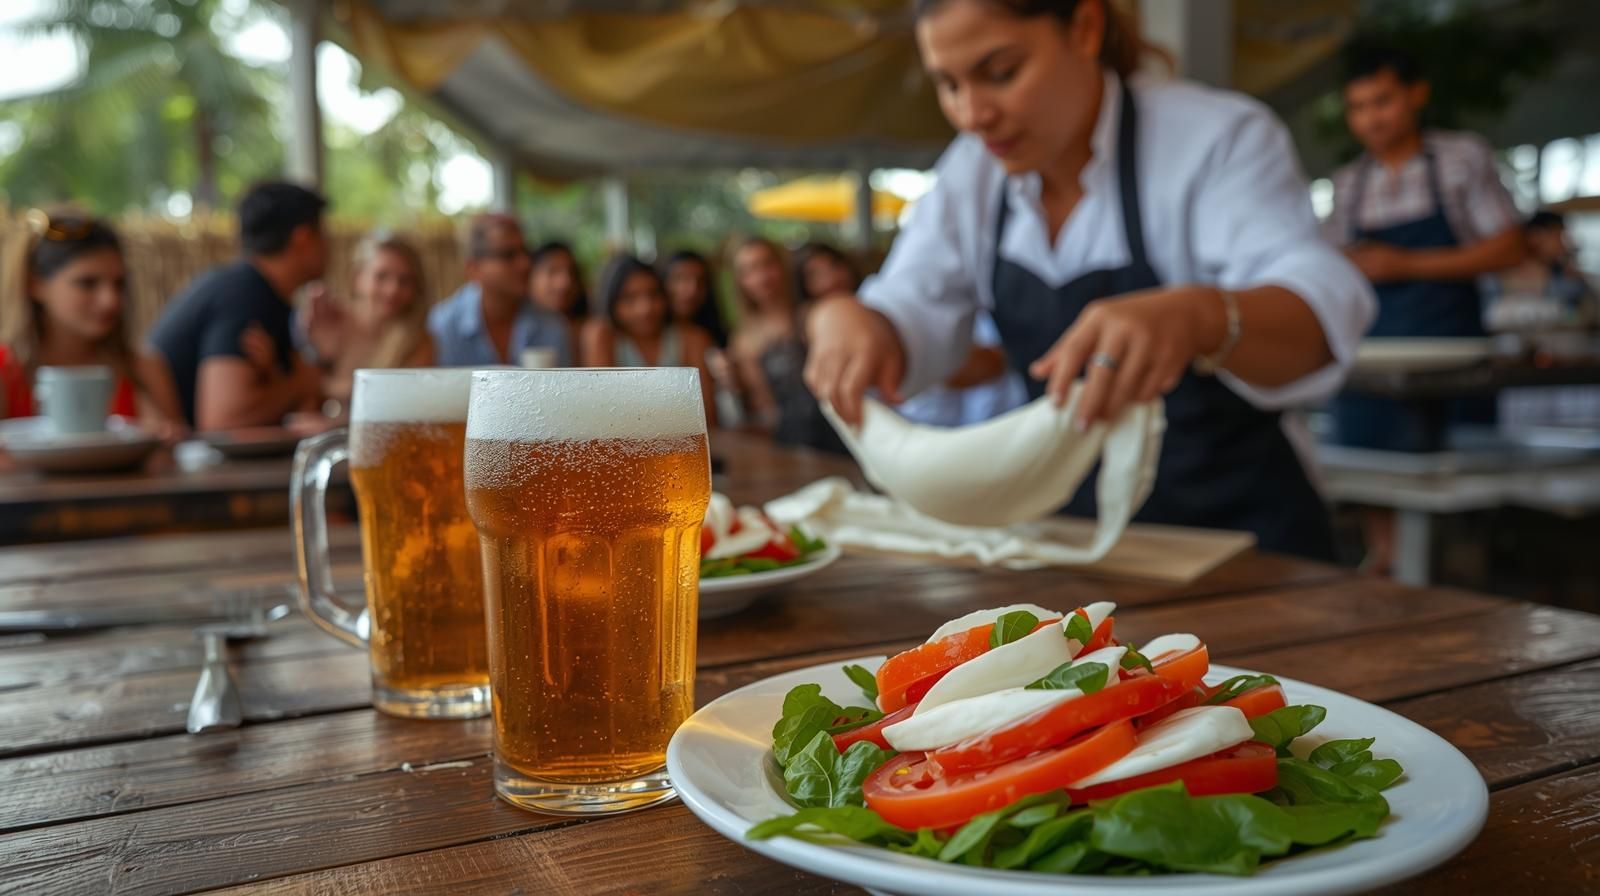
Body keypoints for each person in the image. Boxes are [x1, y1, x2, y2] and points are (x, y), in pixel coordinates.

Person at [803, 0, 1376, 559]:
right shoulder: (971, 173)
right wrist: (850, 319)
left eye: (1000, 73)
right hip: (1067, 550)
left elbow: (1320, 310)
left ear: (1084, 26)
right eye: (948, 85)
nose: (973, 114)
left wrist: (1200, 316)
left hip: (1244, 549)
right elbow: (910, 309)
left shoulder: (1215, 138)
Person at [1325, 43, 1526, 451]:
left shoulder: (1461, 158)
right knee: (1374, 475)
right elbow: (1330, 261)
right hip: (1374, 361)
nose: (1370, 119)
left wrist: (1407, 264)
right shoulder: (1349, 182)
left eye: (1382, 102)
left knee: (1461, 474)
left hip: (1454, 359)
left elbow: (1509, 248)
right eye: (1357, 108)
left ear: (1416, 94)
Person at [145, 181, 327, 430]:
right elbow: (223, 422)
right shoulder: (245, 296)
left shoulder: (265, 295)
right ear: (303, 238)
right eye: (323, 235)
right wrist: (300, 383)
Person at [0, 208, 182, 427]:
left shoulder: (144, 370)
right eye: (87, 283)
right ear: (35, 284)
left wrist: (161, 443)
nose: (110, 300)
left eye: (119, 284)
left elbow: (180, 453)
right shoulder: (6, 372)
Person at [727, 236, 846, 454]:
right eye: (750, 271)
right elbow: (766, 407)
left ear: (781, 266)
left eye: (767, 264)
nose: (761, 277)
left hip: (840, 426)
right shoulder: (743, 341)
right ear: (740, 281)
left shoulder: (812, 314)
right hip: (790, 442)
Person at [300, 233, 436, 413]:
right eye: (382, 277)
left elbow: (396, 405)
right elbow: (299, 387)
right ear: (358, 277)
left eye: (405, 281)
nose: (393, 290)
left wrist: (329, 390)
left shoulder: (419, 341)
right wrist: (321, 356)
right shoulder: (329, 320)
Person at [579, 254, 717, 425]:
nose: (645, 308)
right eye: (629, 299)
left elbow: (706, 417)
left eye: (653, 295)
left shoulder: (693, 338)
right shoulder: (602, 335)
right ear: (611, 303)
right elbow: (600, 412)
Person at [428, 215, 570, 367]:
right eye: (508, 255)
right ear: (474, 269)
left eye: (525, 252)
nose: (525, 264)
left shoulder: (550, 325)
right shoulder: (444, 327)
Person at [662, 250, 730, 348]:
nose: (692, 289)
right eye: (682, 279)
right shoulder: (647, 335)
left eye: (700, 281)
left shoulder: (716, 339)